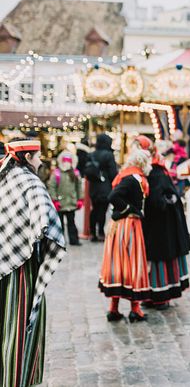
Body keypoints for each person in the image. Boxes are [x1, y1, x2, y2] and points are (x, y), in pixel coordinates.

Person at [0, 139, 66, 386]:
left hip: (4, 259)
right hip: (21, 268)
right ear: (27, 157)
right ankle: (14, 380)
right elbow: (46, 223)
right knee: (17, 329)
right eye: (38, 156)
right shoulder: (31, 182)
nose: (41, 161)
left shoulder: (4, 176)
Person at [98, 142, 152, 322]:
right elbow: (113, 196)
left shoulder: (129, 176)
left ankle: (114, 309)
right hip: (128, 226)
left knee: (118, 265)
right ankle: (135, 310)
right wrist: (130, 209)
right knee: (132, 264)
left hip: (121, 226)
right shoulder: (133, 179)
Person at [142, 144, 190, 309]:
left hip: (161, 226)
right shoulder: (156, 172)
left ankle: (160, 296)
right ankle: (154, 295)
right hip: (159, 225)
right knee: (156, 259)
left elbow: (158, 200)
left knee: (159, 259)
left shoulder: (156, 173)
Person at [85, 134, 118, 242]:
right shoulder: (108, 155)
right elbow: (113, 173)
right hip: (105, 186)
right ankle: (100, 232)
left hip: (94, 186)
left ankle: (93, 232)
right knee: (102, 210)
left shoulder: (92, 154)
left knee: (94, 209)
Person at [47, 151, 84, 246]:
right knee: (60, 223)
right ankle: (60, 240)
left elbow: (79, 187)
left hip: (71, 203)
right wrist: (54, 200)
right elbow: (52, 187)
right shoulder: (56, 174)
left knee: (72, 222)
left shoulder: (75, 173)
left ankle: (74, 240)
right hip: (60, 203)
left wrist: (80, 199)